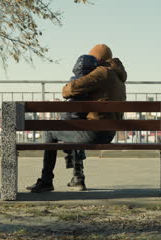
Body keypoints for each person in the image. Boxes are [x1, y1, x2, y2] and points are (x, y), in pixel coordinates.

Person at [27, 44, 128, 193]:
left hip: (95, 133)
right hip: (109, 133)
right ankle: (78, 178)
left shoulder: (102, 72)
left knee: (49, 131)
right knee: (77, 125)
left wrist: (66, 88)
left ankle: (46, 180)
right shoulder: (119, 77)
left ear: (98, 59)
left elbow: (71, 89)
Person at [61, 54, 99, 190]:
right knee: (78, 134)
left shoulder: (73, 82)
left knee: (70, 135)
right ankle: (78, 175)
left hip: (69, 124)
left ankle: (76, 176)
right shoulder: (94, 83)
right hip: (85, 126)